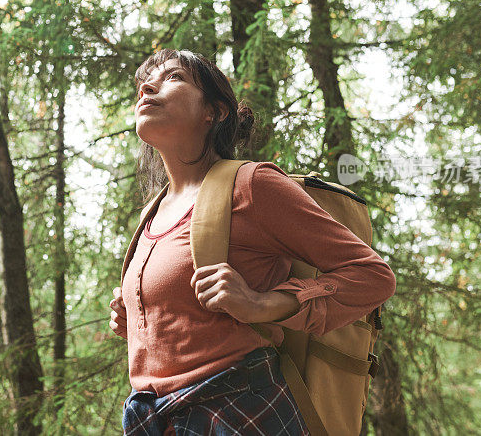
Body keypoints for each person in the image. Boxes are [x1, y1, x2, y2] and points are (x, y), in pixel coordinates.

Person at [109, 49, 396, 436]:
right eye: (145, 81)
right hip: (152, 419)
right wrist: (135, 315)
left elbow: (373, 277)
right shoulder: (153, 210)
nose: (147, 87)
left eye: (173, 77)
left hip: (238, 412)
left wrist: (263, 303)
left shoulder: (252, 186)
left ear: (215, 112)